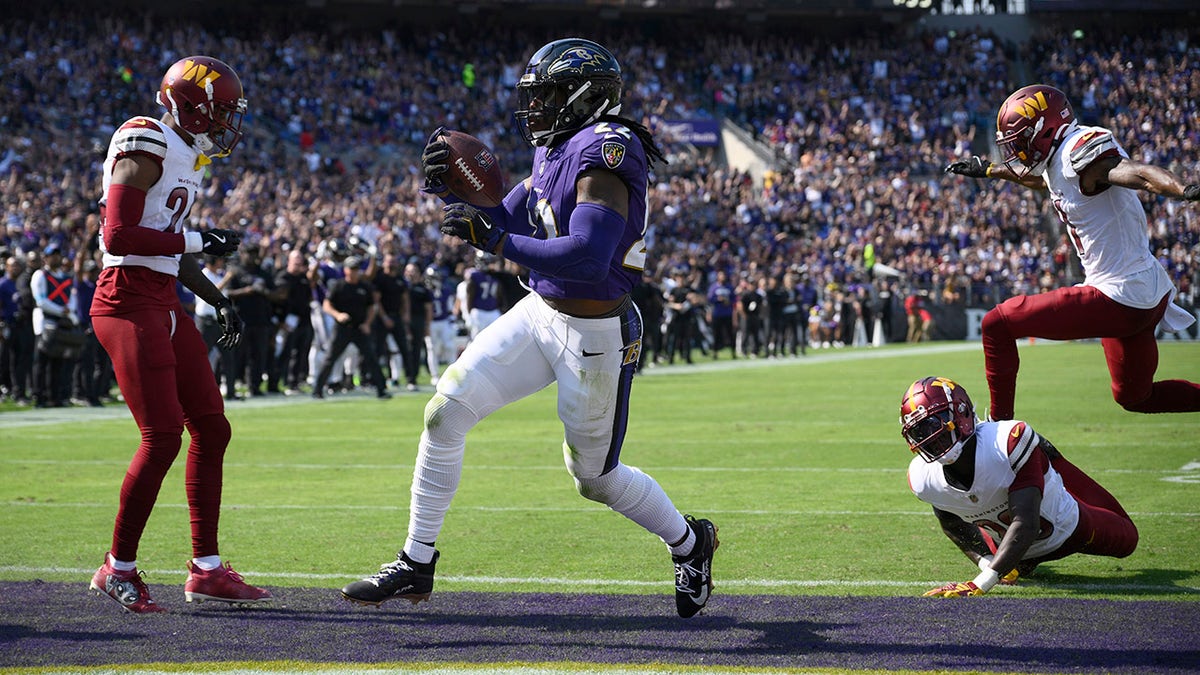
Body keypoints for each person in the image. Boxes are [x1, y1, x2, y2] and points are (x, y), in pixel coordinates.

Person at [341, 38, 717, 619]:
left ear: (583, 97)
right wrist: (455, 191)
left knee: (594, 478)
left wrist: (492, 240)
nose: (534, 108)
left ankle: (691, 543)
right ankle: (416, 562)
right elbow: (512, 214)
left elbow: (588, 256)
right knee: (445, 411)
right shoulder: (558, 146)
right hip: (541, 313)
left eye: (545, 96)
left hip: (596, 333)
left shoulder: (606, 153)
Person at [88, 55, 271, 613]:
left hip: (162, 299)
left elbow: (169, 243)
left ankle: (206, 569)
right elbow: (119, 234)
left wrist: (217, 299)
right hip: (125, 298)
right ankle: (115, 568)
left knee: (212, 430)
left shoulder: (185, 154)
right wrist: (199, 242)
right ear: (191, 105)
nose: (225, 126)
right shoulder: (145, 139)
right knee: (163, 436)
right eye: (221, 114)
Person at [945, 84, 1200, 420]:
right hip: (1141, 293)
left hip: (1119, 293)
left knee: (997, 323)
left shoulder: (1079, 153)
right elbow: (1047, 181)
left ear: (1045, 128)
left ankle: (999, 429)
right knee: (1136, 396)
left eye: (1021, 141)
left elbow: (1136, 174)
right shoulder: (1059, 159)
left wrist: (1184, 190)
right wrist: (991, 171)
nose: (1018, 151)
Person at [900, 376, 1138, 597]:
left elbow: (1026, 524)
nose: (929, 438)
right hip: (1016, 552)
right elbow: (952, 523)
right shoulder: (922, 477)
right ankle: (1012, 558)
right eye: (919, 431)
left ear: (961, 414)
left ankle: (1049, 459)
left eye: (934, 425)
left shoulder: (1005, 444)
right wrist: (988, 562)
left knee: (1128, 539)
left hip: (1069, 530)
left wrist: (982, 582)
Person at [311, 256, 391, 400]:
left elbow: (372, 307)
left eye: (356, 269)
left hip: (360, 328)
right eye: (351, 269)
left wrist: (367, 323)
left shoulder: (364, 286)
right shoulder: (338, 285)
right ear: (345, 270)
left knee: (371, 358)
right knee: (330, 358)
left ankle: (382, 389)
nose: (354, 272)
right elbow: (327, 305)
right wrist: (338, 315)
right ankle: (317, 389)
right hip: (343, 328)